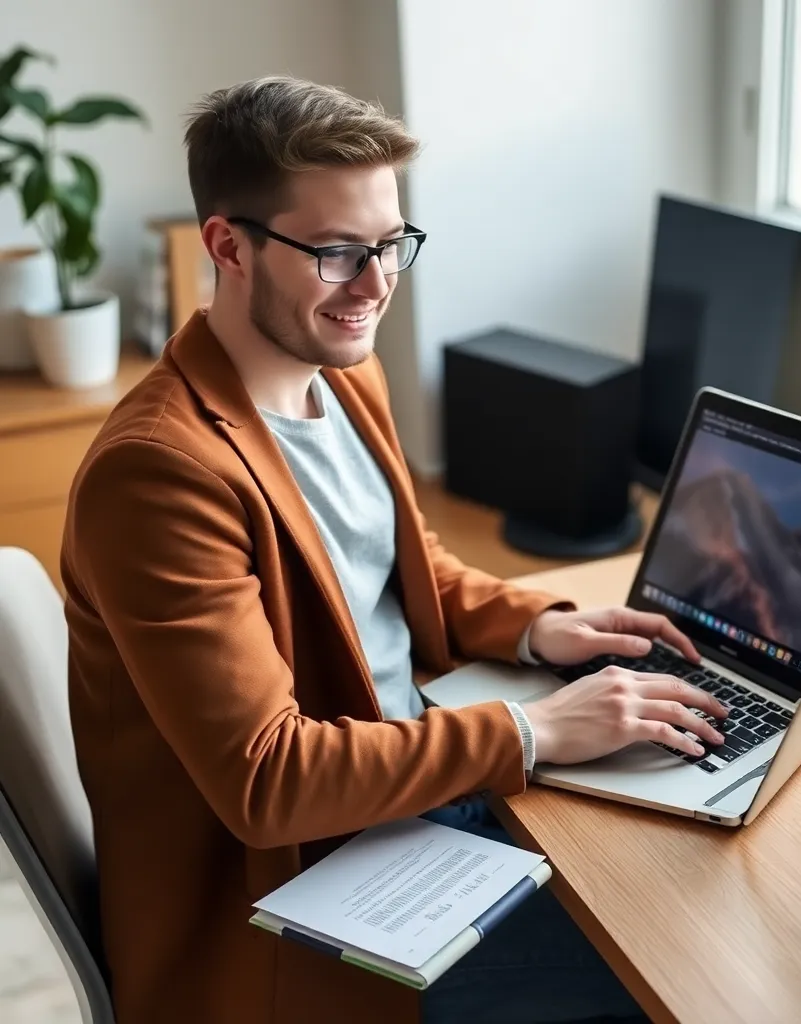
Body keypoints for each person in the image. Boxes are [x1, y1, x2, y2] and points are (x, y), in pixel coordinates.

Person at [61, 76, 726, 1024]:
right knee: (676, 972)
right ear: (228, 247)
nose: (376, 287)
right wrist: (536, 731)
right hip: (300, 903)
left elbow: (405, 567)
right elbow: (267, 780)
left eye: (389, 246)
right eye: (337, 253)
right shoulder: (160, 477)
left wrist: (543, 630)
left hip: (412, 803)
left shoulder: (344, 369)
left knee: (686, 855)